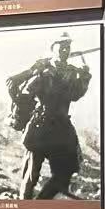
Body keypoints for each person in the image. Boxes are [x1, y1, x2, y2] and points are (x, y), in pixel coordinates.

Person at [11, 34, 92, 199]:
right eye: (61, 47)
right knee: (32, 173)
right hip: (41, 126)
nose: (65, 50)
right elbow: (24, 92)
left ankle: (40, 203)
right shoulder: (44, 69)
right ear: (53, 49)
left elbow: (75, 95)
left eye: (67, 47)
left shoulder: (71, 72)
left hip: (61, 127)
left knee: (65, 173)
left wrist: (84, 78)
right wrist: (36, 75)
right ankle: (23, 206)